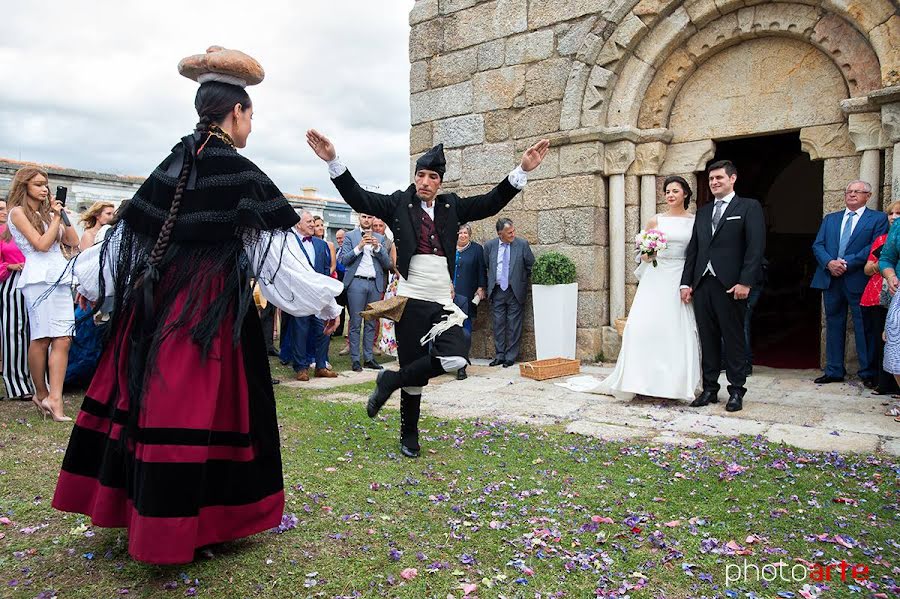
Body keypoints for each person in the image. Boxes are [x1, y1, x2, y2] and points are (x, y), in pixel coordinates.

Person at [51, 46, 342, 565]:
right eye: (251, 115)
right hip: (208, 318)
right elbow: (277, 261)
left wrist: (91, 283)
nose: (251, 126)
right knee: (204, 414)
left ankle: (145, 514)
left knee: (151, 407)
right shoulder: (241, 174)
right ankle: (201, 523)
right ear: (236, 113)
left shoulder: (171, 164)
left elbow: (116, 249)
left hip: (156, 310)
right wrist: (323, 300)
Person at [308, 131, 549, 457]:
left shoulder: (452, 206)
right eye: (420, 175)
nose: (424, 181)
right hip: (410, 299)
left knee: (455, 358)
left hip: (442, 300)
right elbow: (360, 198)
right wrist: (333, 161)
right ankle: (409, 435)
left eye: (432, 177)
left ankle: (388, 382)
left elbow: (490, 202)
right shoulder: (398, 201)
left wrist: (521, 171)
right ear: (415, 177)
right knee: (414, 371)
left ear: (440, 181)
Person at [599, 176, 702, 400]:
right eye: (667, 191)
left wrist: (691, 282)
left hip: (680, 277)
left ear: (685, 193)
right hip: (657, 276)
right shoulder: (655, 220)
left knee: (675, 328)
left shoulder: (695, 221)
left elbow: (696, 253)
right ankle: (640, 381)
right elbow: (644, 257)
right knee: (643, 326)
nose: (670, 195)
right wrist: (650, 251)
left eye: (675, 190)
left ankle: (674, 384)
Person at [680, 160, 766, 413]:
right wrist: (686, 283)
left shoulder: (749, 207)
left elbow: (755, 247)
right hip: (703, 283)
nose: (714, 182)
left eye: (719, 178)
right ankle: (709, 389)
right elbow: (693, 250)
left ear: (732, 179)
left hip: (732, 285)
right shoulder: (704, 212)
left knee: (734, 338)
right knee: (707, 339)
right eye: (711, 179)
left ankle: (737, 390)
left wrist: (745, 281)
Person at [6, 166, 79, 421]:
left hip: (60, 276)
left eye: (45, 184)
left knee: (64, 338)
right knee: (42, 337)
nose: (44, 188)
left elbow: (72, 241)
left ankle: (56, 399)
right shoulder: (16, 213)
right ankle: (41, 392)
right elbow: (40, 244)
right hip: (37, 279)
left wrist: (61, 216)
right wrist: (55, 219)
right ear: (24, 186)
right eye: (38, 184)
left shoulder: (50, 213)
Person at [811, 180, 888, 386]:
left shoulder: (878, 218)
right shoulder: (831, 219)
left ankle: (867, 372)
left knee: (864, 327)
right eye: (849, 191)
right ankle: (834, 370)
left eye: (857, 191)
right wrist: (829, 263)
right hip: (831, 278)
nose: (852, 194)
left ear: (868, 196)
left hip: (858, 279)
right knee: (833, 323)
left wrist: (846, 263)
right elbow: (818, 245)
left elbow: (875, 247)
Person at [287, 211, 338, 381]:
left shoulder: (321, 244)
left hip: (318, 296)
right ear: (298, 225)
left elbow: (325, 270)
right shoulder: (290, 243)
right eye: (308, 221)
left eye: (312, 222)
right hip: (299, 296)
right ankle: (301, 368)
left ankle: (321, 365)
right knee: (300, 331)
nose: (312, 224)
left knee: (324, 329)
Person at [340, 212, 391, 372]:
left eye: (370, 217)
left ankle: (368, 358)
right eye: (364, 217)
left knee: (371, 323)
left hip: (374, 284)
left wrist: (377, 248)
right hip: (356, 282)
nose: (367, 220)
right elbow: (344, 260)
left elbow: (386, 263)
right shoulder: (350, 236)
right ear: (359, 219)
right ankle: (355, 359)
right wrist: (359, 247)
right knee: (355, 323)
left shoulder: (380, 238)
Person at [861, 200, 900, 396]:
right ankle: (883, 383)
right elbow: (870, 267)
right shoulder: (885, 238)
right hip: (883, 295)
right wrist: (887, 270)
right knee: (883, 340)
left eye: (898, 213)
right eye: (891, 213)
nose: (893, 217)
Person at [483, 218, 535, 367]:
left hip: (515, 291)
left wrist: (523, 282)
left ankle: (510, 357)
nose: (513, 234)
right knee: (498, 324)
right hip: (497, 291)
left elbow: (531, 265)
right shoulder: (490, 246)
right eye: (509, 232)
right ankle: (499, 355)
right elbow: (486, 265)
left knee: (514, 325)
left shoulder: (522, 244)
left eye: (513, 231)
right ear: (500, 234)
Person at [0, 199, 35, 402]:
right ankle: (17, 385)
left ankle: (38, 381)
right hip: (12, 282)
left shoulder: (34, 226)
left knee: (37, 333)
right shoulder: (3, 233)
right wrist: (9, 267)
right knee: (14, 332)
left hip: (37, 280)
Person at [452, 223, 486, 380]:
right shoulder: (447, 247)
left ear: (469, 235)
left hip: (465, 296)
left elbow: (481, 270)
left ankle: (461, 366)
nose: (462, 235)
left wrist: (481, 287)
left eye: (465, 233)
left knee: (464, 332)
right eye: (459, 233)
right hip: (447, 296)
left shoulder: (476, 249)